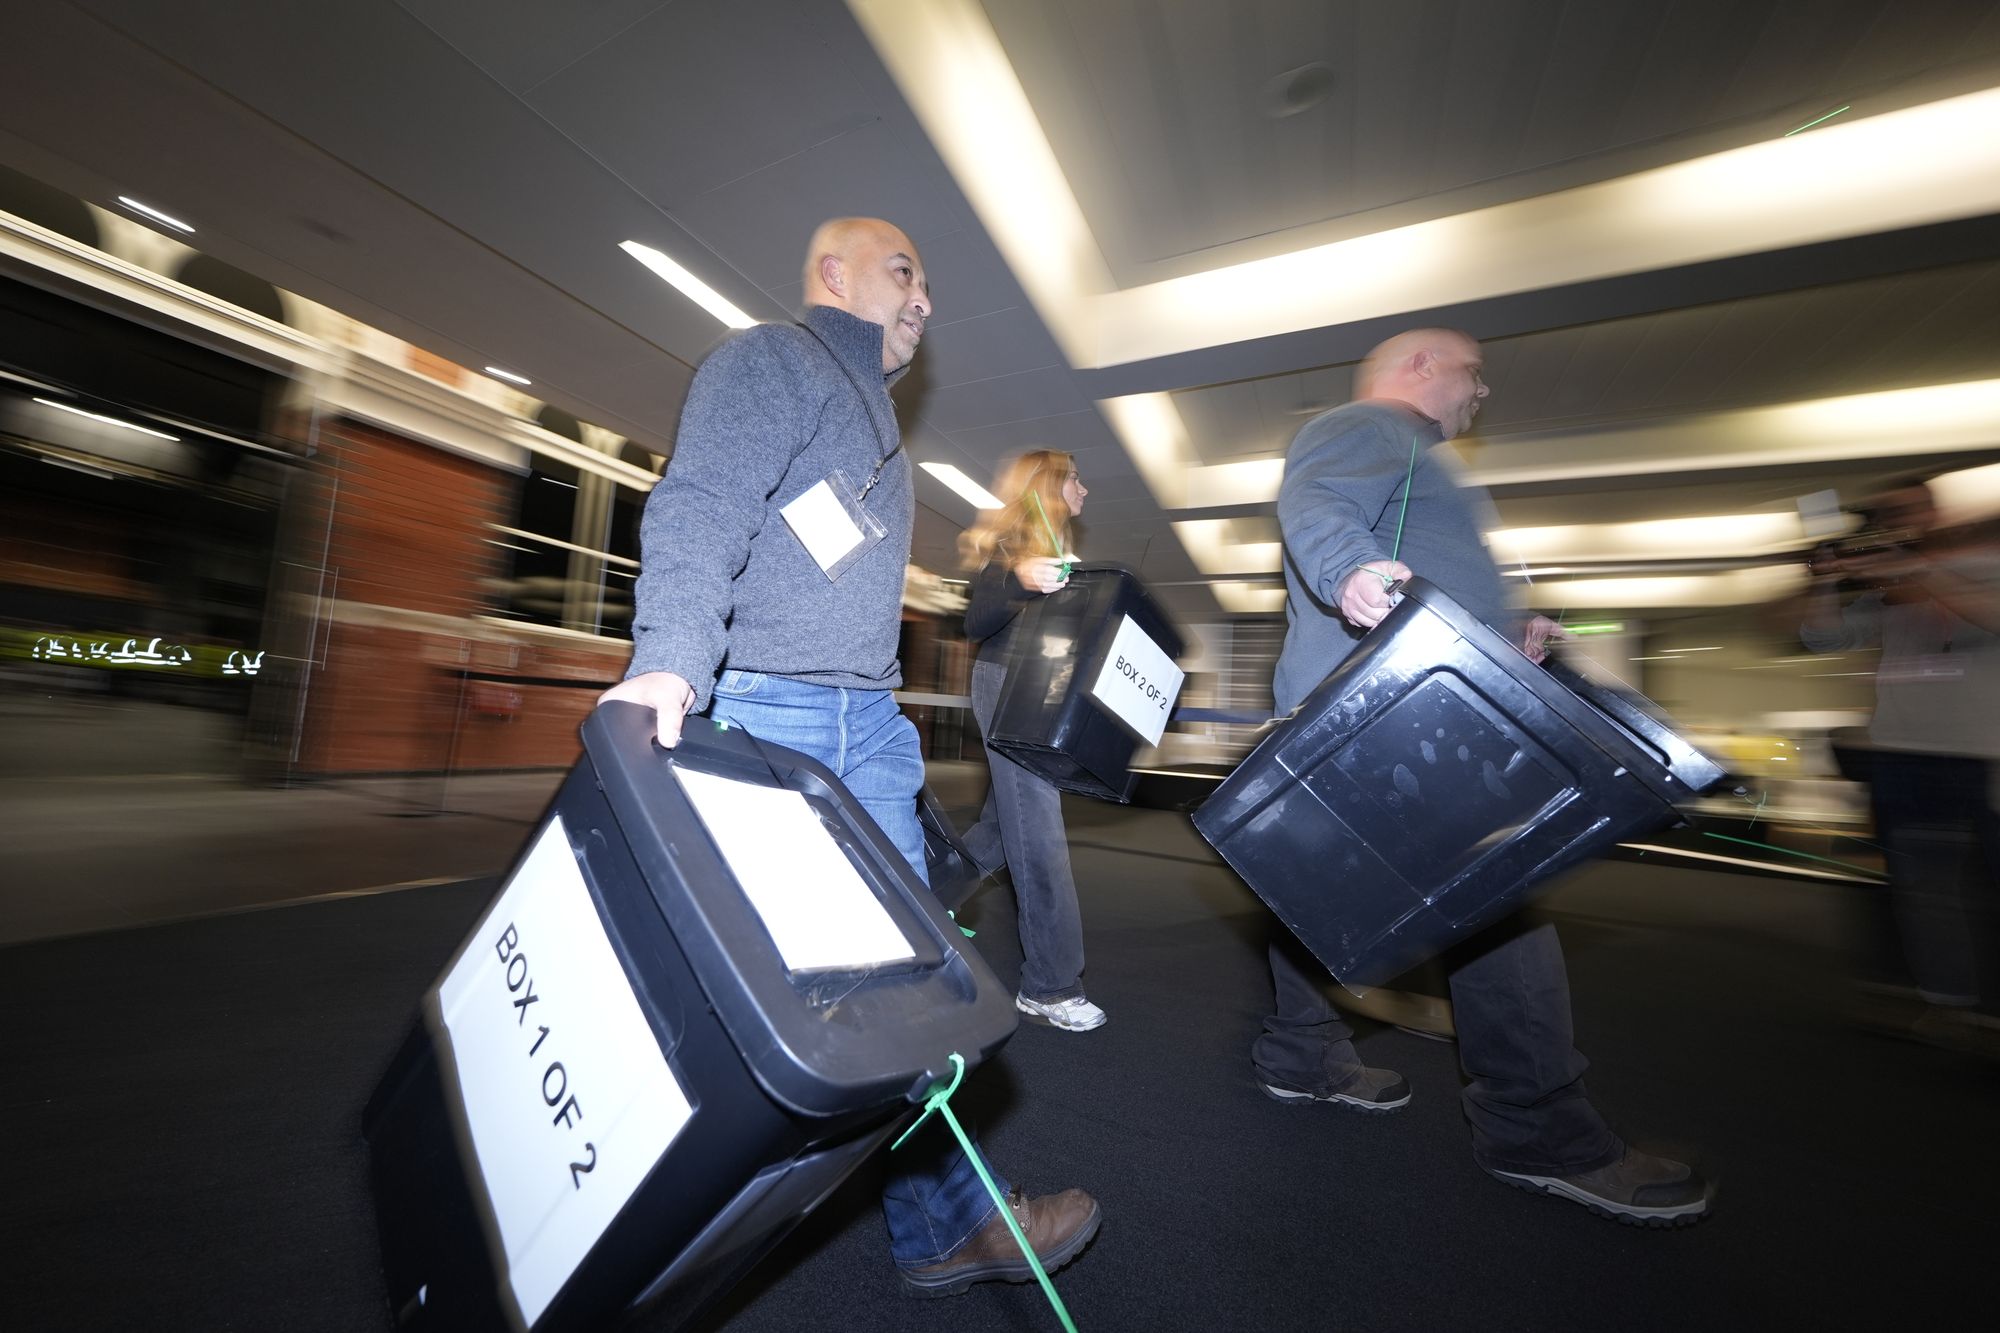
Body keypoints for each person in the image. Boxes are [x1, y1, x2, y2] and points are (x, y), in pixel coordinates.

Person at [599, 218, 1101, 1293]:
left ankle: (943, 1221)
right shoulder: (770, 362)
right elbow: (701, 503)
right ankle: (624, 1221)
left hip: (864, 725)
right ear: (834, 273)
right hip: (770, 713)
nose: (924, 297)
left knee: (909, 988)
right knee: (761, 992)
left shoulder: (876, 420)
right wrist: (669, 658)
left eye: (924, 281)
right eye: (902, 271)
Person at [1256, 326, 1712, 1226]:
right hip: (1386, 719)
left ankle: (1301, 1053)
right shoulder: (1372, 425)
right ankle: (1538, 1129)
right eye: (1473, 372)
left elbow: (1429, 576)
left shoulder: (1424, 462)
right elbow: (1316, 496)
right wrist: (1349, 570)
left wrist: (1509, 630)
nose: (1483, 390)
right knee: (1498, 896)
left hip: (1373, 711)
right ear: (1421, 366)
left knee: (1317, 891)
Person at [1801, 483, 2000, 1053]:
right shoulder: (1888, 591)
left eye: (1906, 513)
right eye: (1885, 514)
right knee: (1925, 891)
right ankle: (1949, 1006)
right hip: (1903, 754)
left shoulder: (1981, 564)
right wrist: (1826, 579)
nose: (1893, 523)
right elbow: (1823, 639)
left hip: (1986, 753)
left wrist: (1915, 567)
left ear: (1935, 515)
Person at [959, 450, 1103, 1031]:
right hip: (1005, 684)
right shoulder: (1010, 547)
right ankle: (1050, 985)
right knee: (1039, 832)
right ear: (1049, 483)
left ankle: (920, 898)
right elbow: (976, 623)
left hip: (1039, 689)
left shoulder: (1060, 552)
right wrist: (1021, 580)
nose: (1085, 490)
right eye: (1076, 478)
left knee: (1002, 826)